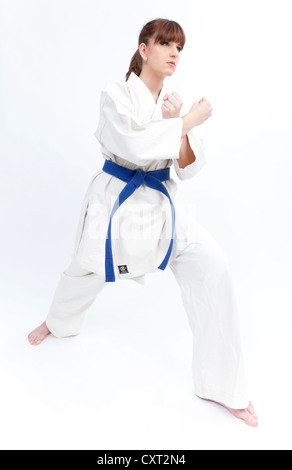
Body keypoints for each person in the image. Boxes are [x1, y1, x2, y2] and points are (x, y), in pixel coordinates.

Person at [28, 18, 258, 427]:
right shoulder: (114, 93)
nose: (174, 53)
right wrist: (185, 122)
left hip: (162, 206)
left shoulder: (167, 105)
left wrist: (179, 121)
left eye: (179, 48)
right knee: (85, 268)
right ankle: (57, 323)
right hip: (117, 203)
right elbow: (132, 145)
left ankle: (220, 386)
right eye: (166, 44)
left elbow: (187, 167)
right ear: (143, 48)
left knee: (213, 268)